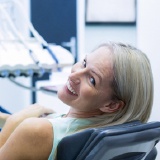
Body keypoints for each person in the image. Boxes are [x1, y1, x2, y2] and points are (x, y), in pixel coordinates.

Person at [0, 42, 153, 160]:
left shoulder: (36, 130)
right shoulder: (100, 136)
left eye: (92, 79)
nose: (74, 75)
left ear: (111, 105)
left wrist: (12, 122)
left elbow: (31, 130)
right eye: (84, 63)